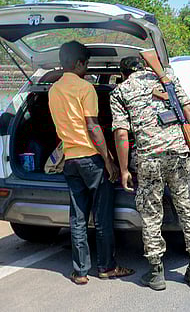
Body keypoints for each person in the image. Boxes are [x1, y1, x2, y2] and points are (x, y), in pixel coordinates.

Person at [110, 56, 190, 291]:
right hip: (180, 155)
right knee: (188, 209)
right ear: (144, 67)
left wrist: (123, 170)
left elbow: (122, 134)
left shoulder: (120, 91)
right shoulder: (168, 79)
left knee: (151, 215)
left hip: (149, 159)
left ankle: (156, 273)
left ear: (123, 74)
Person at [48, 41, 134, 285]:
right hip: (90, 159)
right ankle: (107, 267)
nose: (86, 68)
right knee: (102, 215)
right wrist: (108, 161)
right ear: (78, 64)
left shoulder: (54, 90)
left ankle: (80, 271)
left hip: (70, 160)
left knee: (77, 217)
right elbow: (93, 126)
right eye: (85, 64)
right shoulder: (86, 89)